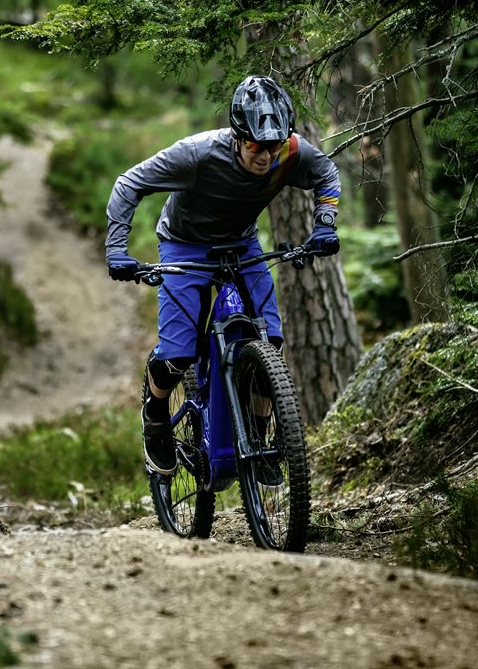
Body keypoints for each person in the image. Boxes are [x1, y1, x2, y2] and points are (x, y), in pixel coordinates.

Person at [104, 75, 342, 476]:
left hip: (242, 244)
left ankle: (261, 435)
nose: (266, 155)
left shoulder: (289, 152)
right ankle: (156, 414)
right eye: (255, 145)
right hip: (184, 243)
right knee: (178, 352)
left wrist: (325, 223)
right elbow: (129, 184)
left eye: (274, 145)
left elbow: (327, 175)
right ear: (237, 137)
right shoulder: (196, 155)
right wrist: (116, 250)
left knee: (270, 338)